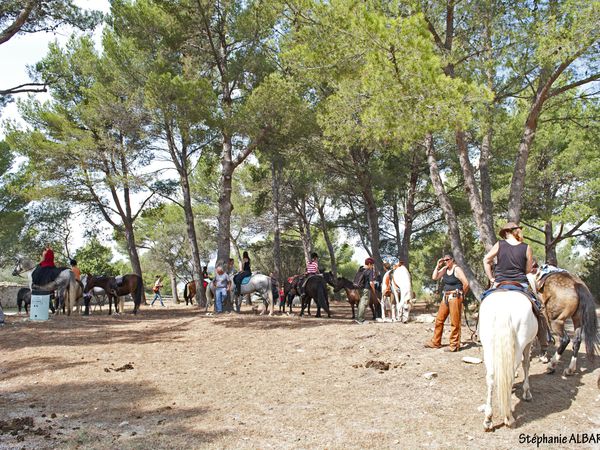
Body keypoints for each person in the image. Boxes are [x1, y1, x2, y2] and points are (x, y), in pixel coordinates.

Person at [483, 221, 549, 353]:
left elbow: (486, 260)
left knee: (484, 302)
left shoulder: (499, 245)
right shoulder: (527, 247)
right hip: (520, 283)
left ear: (507, 233)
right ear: (514, 231)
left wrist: (491, 278)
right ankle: (544, 341)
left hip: (500, 282)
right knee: (539, 309)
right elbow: (528, 270)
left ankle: (481, 333)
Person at [425, 254, 469, 352]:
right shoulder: (444, 269)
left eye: (447, 260)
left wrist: (462, 295)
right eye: (444, 260)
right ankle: (436, 342)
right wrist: (438, 266)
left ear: (452, 259)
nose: (446, 261)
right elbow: (434, 277)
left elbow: (466, 283)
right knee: (439, 320)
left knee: (455, 322)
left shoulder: (457, 269)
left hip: (455, 296)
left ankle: (454, 345)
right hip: (445, 297)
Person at [356, 258, 376, 324]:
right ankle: (361, 319)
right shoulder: (369, 270)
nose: (373, 266)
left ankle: (358, 318)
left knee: (361, 303)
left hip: (360, 289)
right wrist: (373, 290)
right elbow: (371, 282)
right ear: (369, 264)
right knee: (364, 303)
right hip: (366, 289)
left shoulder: (362, 270)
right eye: (372, 265)